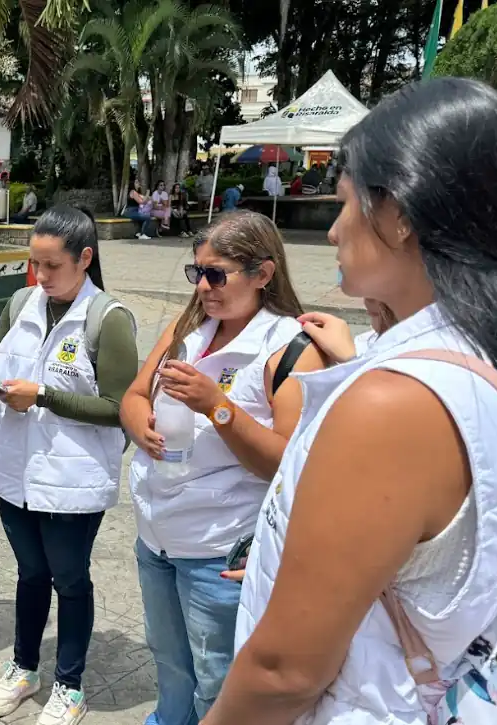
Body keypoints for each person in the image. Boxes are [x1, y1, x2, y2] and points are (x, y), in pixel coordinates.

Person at [206, 78, 497, 725]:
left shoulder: (394, 402)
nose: (333, 230)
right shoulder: (494, 352)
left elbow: (285, 670)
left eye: (343, 204)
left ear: (399, 214)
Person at [121, 211, 325, 725]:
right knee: (170, 665)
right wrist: (138, 423)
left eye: (217, 274)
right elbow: (134, 393)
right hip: (157, 534)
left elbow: (288, 464)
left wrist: (218, 407)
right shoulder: (189, 326)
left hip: (219, 547)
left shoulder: (290, 350)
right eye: (197, 273)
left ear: (263, 273)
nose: (204, 287)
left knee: (219, 681)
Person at [0, 206, 139, 725]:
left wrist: (44, 396)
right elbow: (0, 361)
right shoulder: (22, 302)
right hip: (15, 471)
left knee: (69, 579)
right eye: (34, 264)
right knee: (30, 573)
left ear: (85, 259)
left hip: (72, 480)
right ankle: (25, 667)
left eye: (52, 266)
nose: (40, 277)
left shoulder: (108, 320)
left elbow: (120, 410)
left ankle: (69, 683)